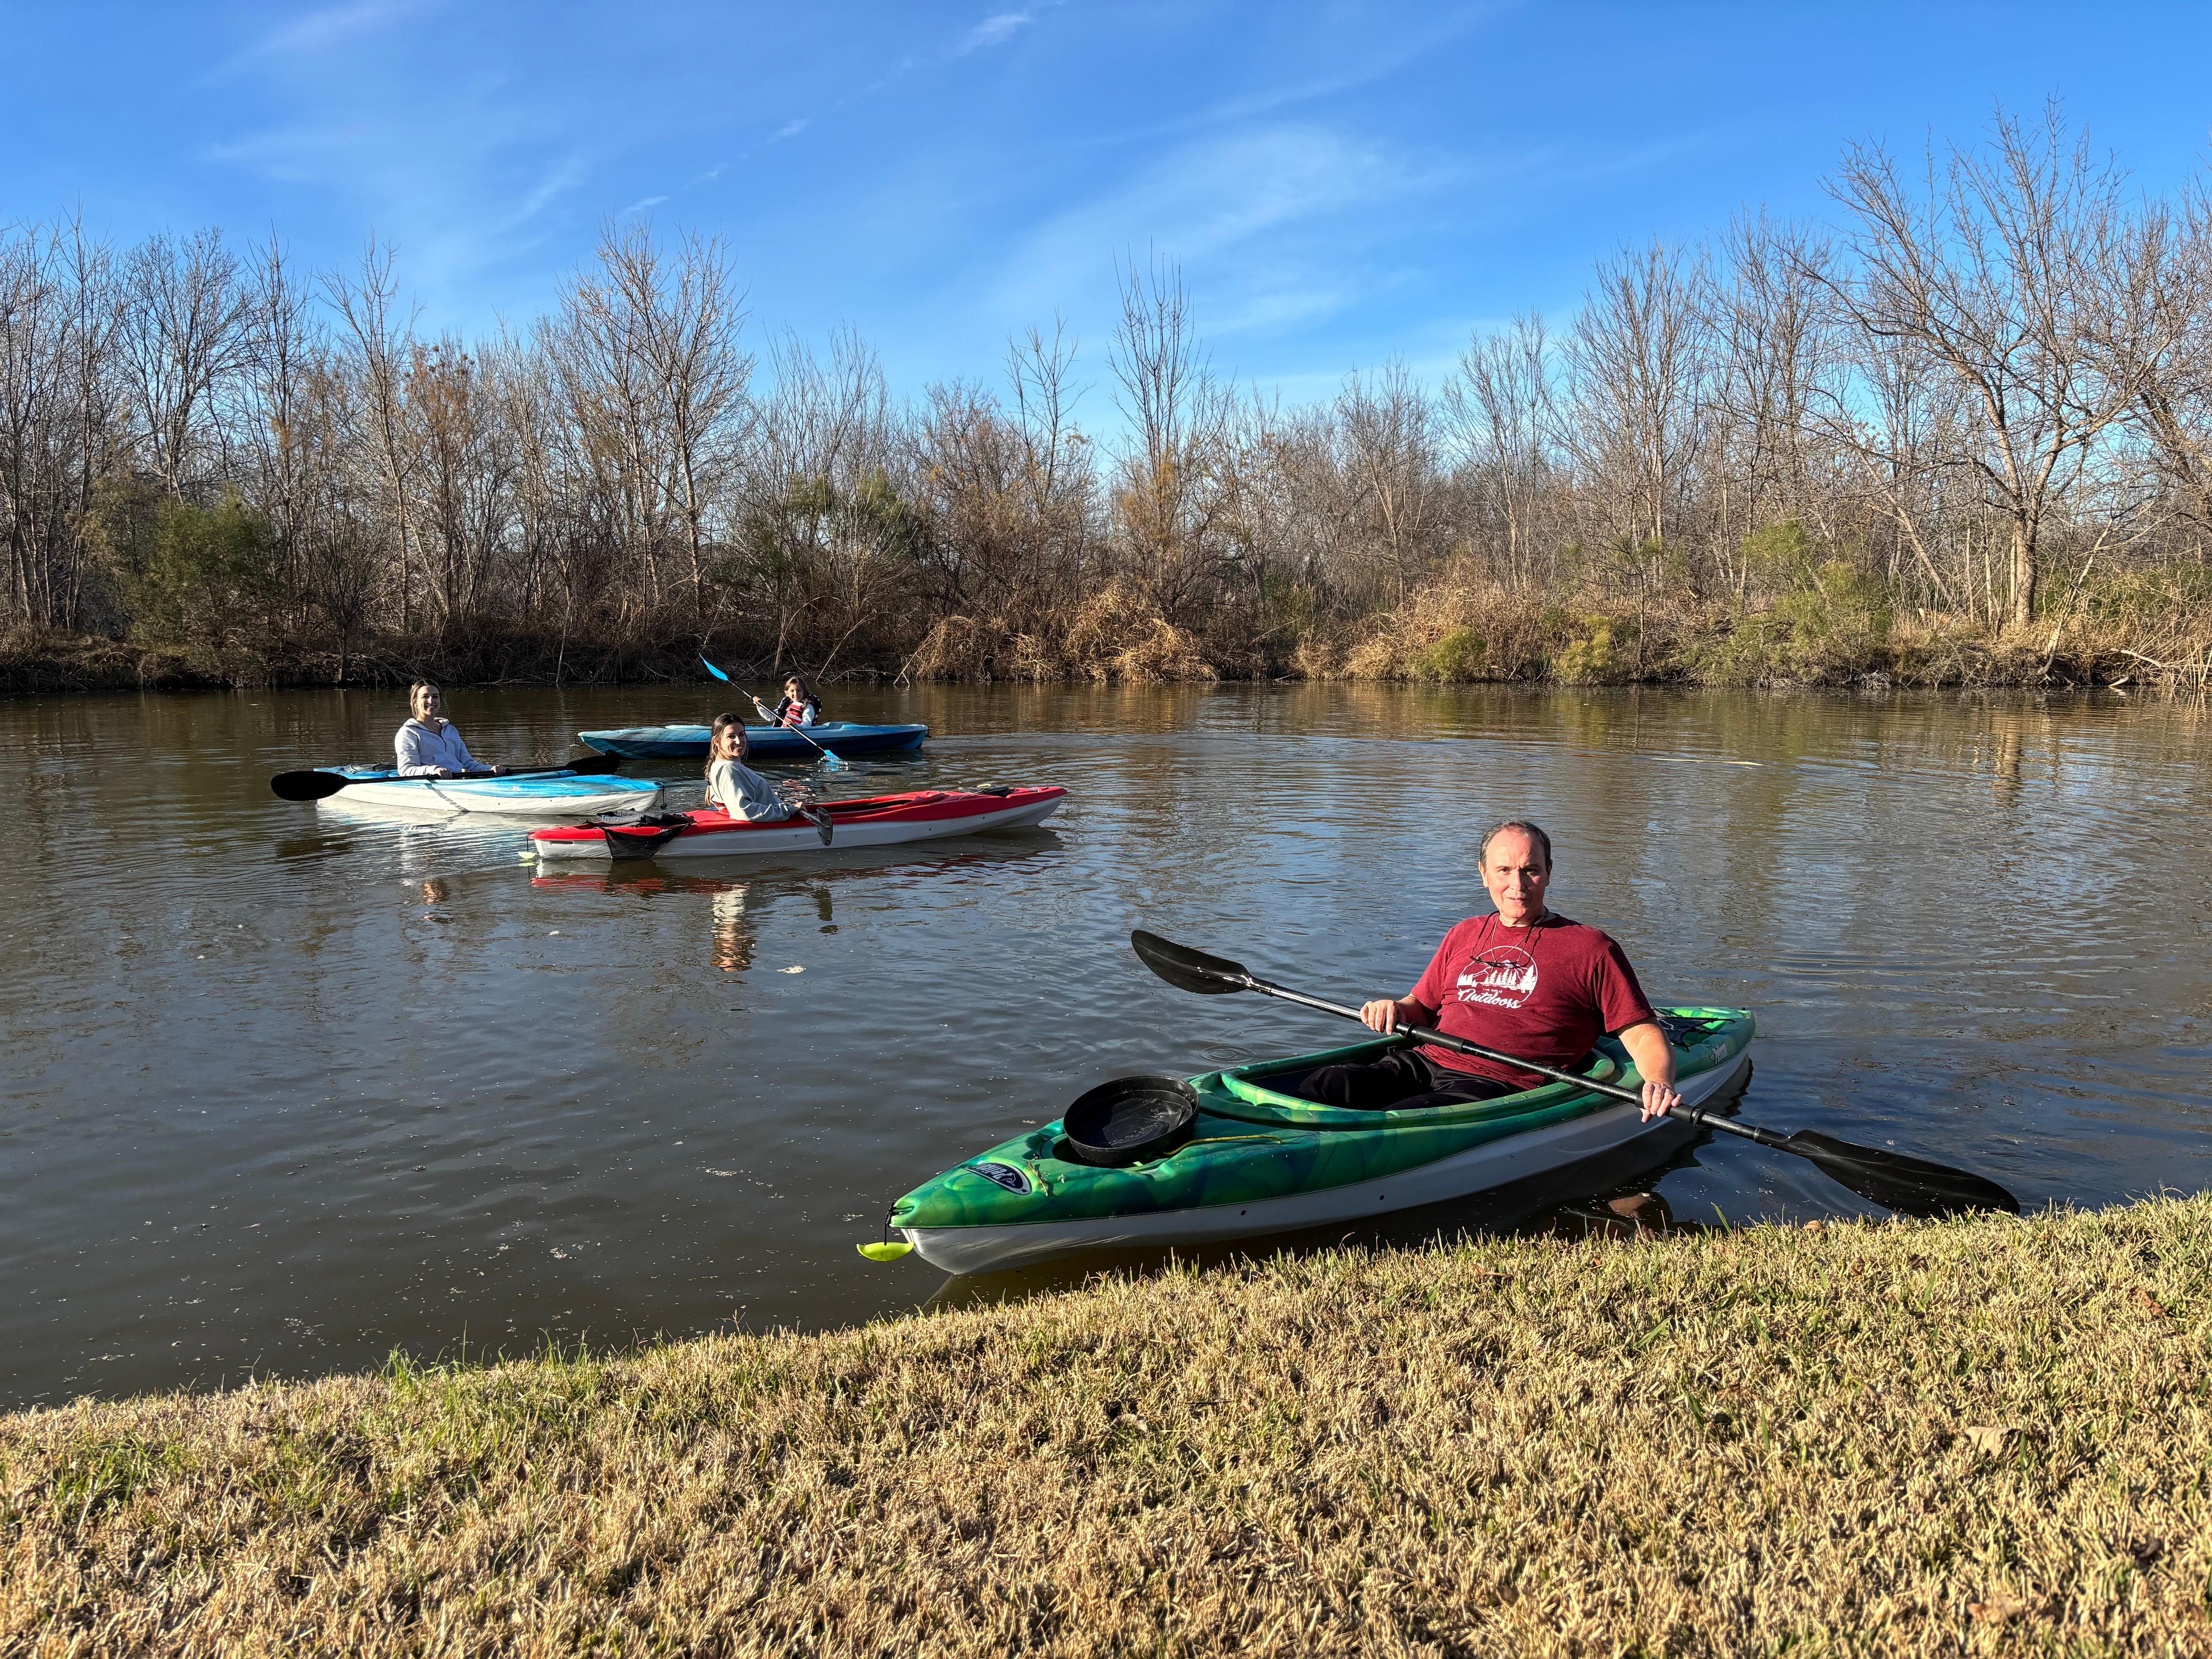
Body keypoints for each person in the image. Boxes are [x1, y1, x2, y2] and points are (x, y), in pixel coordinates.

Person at [1302, 819, 1686, 1121]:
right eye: (1504, 870)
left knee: (1403, 1117)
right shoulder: (1463, 933)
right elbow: (1420, 1008)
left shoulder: (1591, 948)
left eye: (1530, 870)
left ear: (1549, 872)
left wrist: (1658, 1081)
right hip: (1425, 1060)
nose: (1517, 885)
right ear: (1484, 874)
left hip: (1500, 1084)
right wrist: (1393, 1009)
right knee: (1330, 1081)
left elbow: (1640, 1033)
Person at [703, 712, 799, 822]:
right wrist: (789, 811)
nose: (739, 741)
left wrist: (767, 797)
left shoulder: (720, 765)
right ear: (717, 741)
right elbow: (743, 811)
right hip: (767, 830)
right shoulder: (728, 769)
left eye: (742, 734)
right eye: (731, 736)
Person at [394, 681, 499, 777]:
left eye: (435, 697)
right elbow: (406, 770)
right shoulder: (408, 733)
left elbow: (468, 764)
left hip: (461, 781)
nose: (431, 701)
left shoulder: (451, 730)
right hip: (436, 784)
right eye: (425, 697)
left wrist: (489, 769)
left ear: (440, 701)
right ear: (415, 703)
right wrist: (434, 770)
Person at [753, 675, 822, 729]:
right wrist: (760, 706)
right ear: (787, 693)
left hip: (798, 733)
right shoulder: (787, 705)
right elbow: (770, 717)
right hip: (783, 731)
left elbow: (807, 726)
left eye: (799, 690)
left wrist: (794, 725)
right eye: (792, 691)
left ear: (804, 691)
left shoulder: (808, 707)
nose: (796, 694)